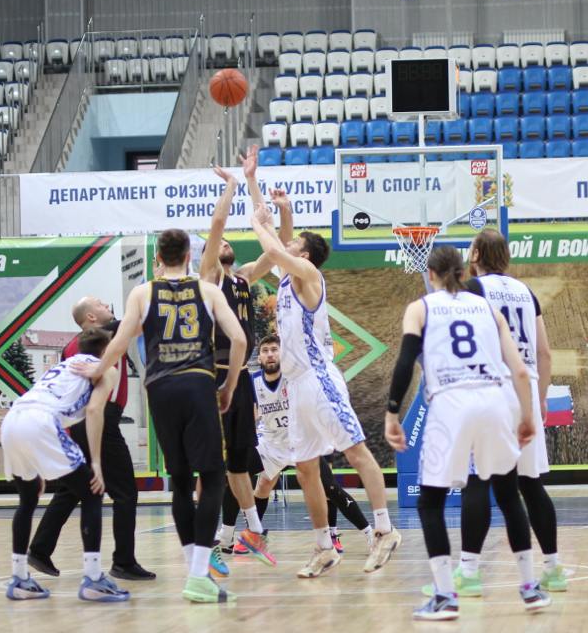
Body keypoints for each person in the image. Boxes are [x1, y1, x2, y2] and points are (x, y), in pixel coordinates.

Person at [385, 246, 545, 620]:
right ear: (462, 272)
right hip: (494, 400)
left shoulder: (420, 307)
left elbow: (406, 361)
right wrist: (526, 416)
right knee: (508, 494)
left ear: (431, 274)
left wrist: (392, 412)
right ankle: (530, 588)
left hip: (450, 402)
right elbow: (521, 371)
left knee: (430, 501)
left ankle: (445, 595)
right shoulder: (488, 309)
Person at [94, 229, 247, 603]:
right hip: (197, 384)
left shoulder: (142, 293)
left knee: (178, 480)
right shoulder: (207, 291)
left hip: (160, 388)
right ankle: (198, 575)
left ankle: (194, 571)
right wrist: (228, 386)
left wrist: (96, 370)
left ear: (158, 259)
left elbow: (120, 341)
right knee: (212, 477)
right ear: (189, 257)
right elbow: (240, 340)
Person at [251, 201, 402, 578]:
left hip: (318, 380)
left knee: (356, 450)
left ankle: (384, 529)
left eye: (294, 244)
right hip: (296, 388)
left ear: (304, 256)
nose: (287, 243)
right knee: (305, 470)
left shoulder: (309, 275)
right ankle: (324, 547)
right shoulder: (289, 277)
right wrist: (277, 206)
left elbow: (274, 249)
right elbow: (281, 242)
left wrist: (257, 223)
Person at [453, 228, 568, 594]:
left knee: (478, 480)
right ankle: (554, 568)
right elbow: (544, 352)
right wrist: (541, 397)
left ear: (475, 255)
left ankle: (468, 573)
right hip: (527, 389)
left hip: (493, 388)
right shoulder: (525, 291)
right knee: (530, 484)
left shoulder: (474, 289)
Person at [27, 296, 154, 582]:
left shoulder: (73, 345)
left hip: (80, 421)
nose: (107, 305)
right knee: (125, 492)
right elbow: (139, 320)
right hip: (99, 418)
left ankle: (39, 548)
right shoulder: (102, 335)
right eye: (100, 304)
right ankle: (123, 562)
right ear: (91, 318)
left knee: (73, 489)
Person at [1, 326, 127, 603]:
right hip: (41, 420)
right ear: (106, 350)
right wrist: (96, 462)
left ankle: (19, 578)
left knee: (28, 497)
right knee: (92, 492)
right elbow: (94, 410)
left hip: (12, 419)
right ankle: (93, 579)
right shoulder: (108, 369)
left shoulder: (63, 366)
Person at [199, 146, 279, 569]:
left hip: (242, 375)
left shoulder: (244, 277)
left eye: (231, 242)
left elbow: (274, 247)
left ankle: (252, 531)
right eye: (222, 243)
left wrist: (251, 181)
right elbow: (216, 229)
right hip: (214, 373)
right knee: (214, 462)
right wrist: (230, 188)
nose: (226, 243)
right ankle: (207, 539)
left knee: (240, 460)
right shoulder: (209, 277)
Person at [247, 334, 374, 552]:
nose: (270, 354)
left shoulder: (295, 377)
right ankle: (247, 535)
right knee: (250, 480)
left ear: (283, 354)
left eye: (274, 350)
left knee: (330, 488)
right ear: (259, 358)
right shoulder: (254, 381)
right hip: (272, 442)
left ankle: (369, 533)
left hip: (300, 441)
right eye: (265, 351)